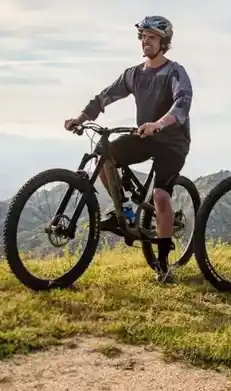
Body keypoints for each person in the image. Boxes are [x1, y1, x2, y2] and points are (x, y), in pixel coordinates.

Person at [63, 15, 193, 283]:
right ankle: (126, 210)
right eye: (143, 37)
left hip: (172, 142)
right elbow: (104, 97)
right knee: (104, 155)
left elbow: (182, 104)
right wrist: (80, 118)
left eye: (152, 37)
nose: (146, 41)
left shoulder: (175, 71)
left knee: (160, 196)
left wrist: (159, 124)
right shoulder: (133, 74)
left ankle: (164, 263)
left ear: (164, 42)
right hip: (145, 135)